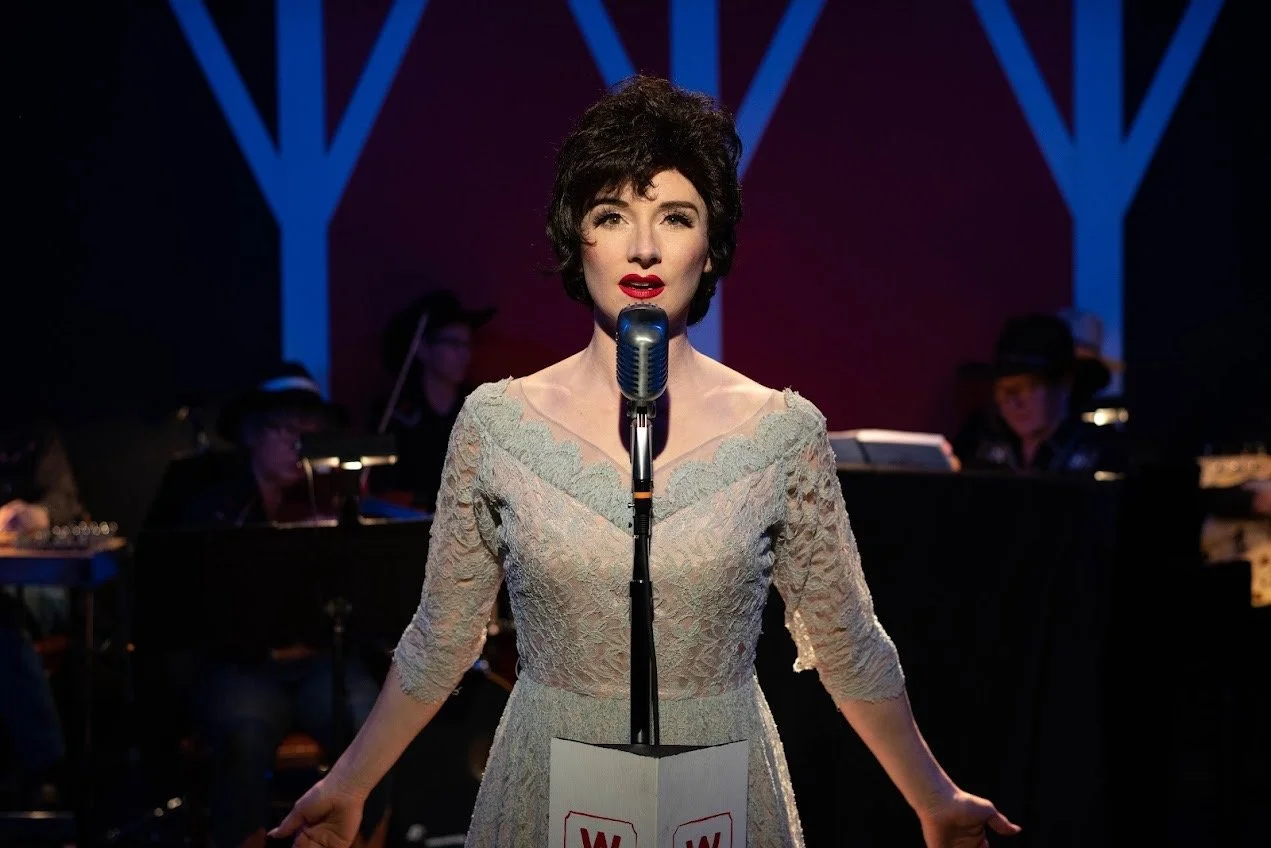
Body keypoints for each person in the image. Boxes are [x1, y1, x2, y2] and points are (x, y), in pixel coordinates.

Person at [272, 76, 1020, 847]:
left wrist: (934, 798)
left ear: (711, 246)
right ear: (577, 240)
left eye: (675, 217)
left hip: (720, 792)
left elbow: (847, 640)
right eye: (611, 216)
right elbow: (440, 636)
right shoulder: (497, 425)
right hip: (548, 782)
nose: (643, 247)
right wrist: (348, 784)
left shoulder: (780, 432)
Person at [173, 364, 391, 848]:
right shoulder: (215, 509)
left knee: (370, 721)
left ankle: (365, 839)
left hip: (323, 661)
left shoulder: (332, 504)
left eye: (310, 431)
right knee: (243, 729)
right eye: (285, 428)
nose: (299, 443)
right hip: (246, 666)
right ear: (252, 434)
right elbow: (194, 608)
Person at [1, 416, 81, 807]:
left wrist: (36, 515)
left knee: (2, 614)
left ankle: (44, 769)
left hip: (42, 585)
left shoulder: (38, 438)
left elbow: (65, 500)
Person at [368, 289, 496, 512]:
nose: (464, 354)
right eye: (453, 343)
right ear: (422, 348)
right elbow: (382, 489)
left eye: (467, 344)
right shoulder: (395, 414)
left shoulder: (478, 408)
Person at [954, 313, 1125, 475]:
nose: (1015, 403)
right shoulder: (980, 443)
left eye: (1028, 387)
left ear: (1064, 384)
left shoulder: (1100, 451)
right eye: (1004, 390)